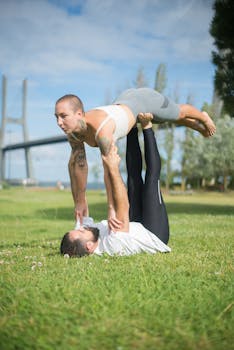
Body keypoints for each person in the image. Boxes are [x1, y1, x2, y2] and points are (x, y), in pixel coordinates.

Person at [55, 87, 216, 223]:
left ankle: (202, 116)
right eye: (57, 117)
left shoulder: (102, 130)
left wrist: (112, 208)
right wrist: (80, 201)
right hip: (124, 101)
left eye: (63, 116)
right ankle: (197, 126)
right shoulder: (73, 132)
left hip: (142, 100)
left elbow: (109, 168)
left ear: (79, 114)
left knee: (178, 113)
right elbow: (78, 165)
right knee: (164, 119)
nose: (59, 123)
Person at [60, 116, 171, 257]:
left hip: (134, 224)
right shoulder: (112, 245)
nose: (82, 227)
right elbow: (123, 207)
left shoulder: (85, 234)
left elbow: (87, 205)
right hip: (153, 234)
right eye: (81, 231)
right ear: (89, 246)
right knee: (151, 179)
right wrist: (112, 168)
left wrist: (106, 160)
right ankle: (147, 126)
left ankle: (131, 128)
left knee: (133, 178)